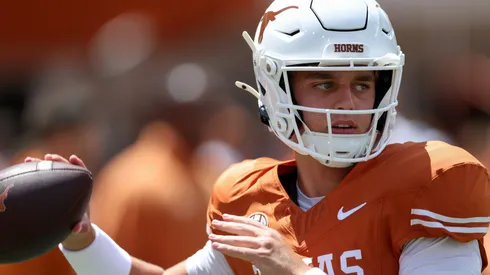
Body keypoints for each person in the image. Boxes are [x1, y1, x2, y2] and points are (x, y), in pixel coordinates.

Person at [25, 0, 490, 274]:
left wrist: (293, 269)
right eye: (326, 84)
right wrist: (81, 238)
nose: (349, 104)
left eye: (363, 84)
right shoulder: (249, 198)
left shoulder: (431, 181)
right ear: (277, 88)